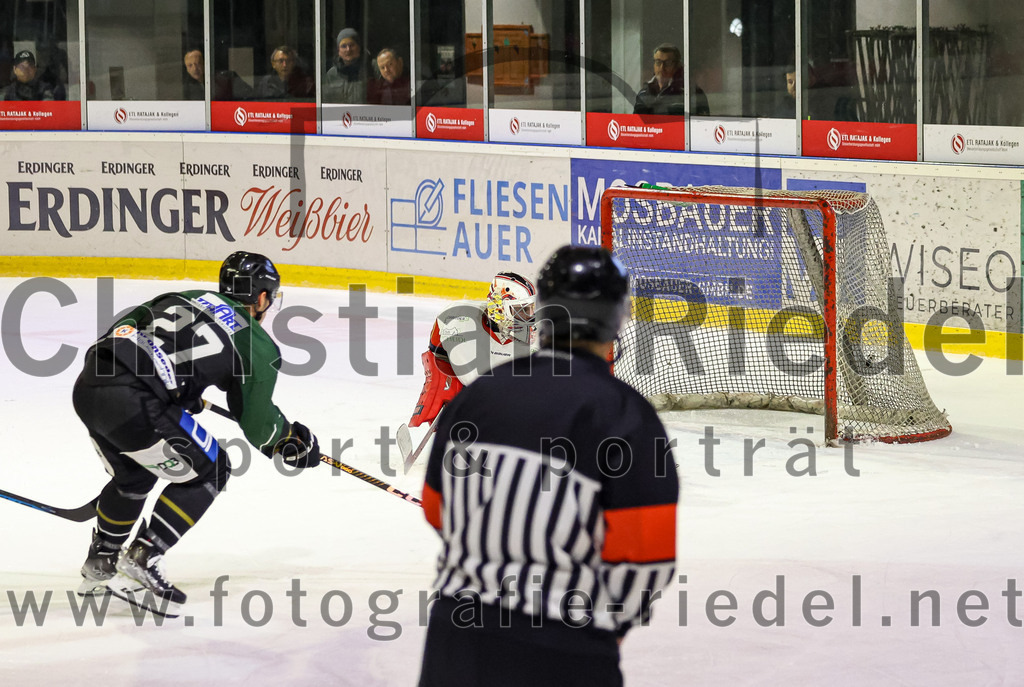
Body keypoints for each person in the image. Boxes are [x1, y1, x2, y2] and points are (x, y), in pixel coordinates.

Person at [417, 246, 679, 687]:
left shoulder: (477, 396)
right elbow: (646, 558)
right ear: (617, 319)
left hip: (455, 638)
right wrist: (605, 627)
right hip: (565, 646)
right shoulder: (626, 416)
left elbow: (436, 507)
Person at [73, 252, 322, 617]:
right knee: (213, 469)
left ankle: (101, 560)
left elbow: (124, 327)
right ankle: (145, 554)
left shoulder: (187, 296)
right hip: (136, 401)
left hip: (91, 383)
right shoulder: (259, 345)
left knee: (134, 475)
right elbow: (256, 421)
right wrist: (290, 442)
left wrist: (170, 383)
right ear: (263, 298)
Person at [409, 272, 537, 429]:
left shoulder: (536, 338)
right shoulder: (459, 320)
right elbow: (440, 354)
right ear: (500, 308)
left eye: (529, 309)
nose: (529, 317)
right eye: (520, 310)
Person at [633, 43, 709, 117]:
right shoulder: (643, 93)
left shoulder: (691, 93)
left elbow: (702, 126)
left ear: (678, 65)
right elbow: (635, 125)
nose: (662, 68)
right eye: (658, 62)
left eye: (668, 63)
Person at [323, 28, 368, 104]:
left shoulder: (369, 69)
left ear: (359, 47)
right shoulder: (332, 74)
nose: (348, 49)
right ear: (339, 51)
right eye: (343, 46)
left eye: (352, 45)